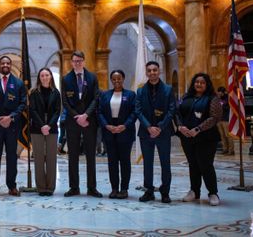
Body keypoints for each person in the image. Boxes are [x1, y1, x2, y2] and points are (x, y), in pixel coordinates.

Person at [0, 56, 26, 197]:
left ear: (10, 65)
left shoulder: (18, 83)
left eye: (8, 63)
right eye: (3, 63)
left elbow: (23, 103)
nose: (5, 65)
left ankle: (12, 186)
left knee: (12, 156)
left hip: (13, 125)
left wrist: (11, 117)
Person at [177, 73, 222, 206]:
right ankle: (194, 191)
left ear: (207, 84)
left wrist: (197, 129)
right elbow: (178, 112)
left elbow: (215, 117)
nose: (199, 84)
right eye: (197, 82)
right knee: (193, 164)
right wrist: (180, 126)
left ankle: (213, 193)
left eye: (202, 82)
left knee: (205, 165)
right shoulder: (187, 97)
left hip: (206, 137)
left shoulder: (212, 98)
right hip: (187, 136)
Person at [61, 51, 102, 197]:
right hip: (73, 122)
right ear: (71, 62)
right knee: (73, 156)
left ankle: (92, 187)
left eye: (79, 60)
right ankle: (74, 187)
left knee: (91, 155)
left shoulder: (92, 77)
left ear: (84, 61)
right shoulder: (66, 79)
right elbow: (65, 101)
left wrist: (85, 115)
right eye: (74, 61)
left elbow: (96, 99)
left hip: (89, 121)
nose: (77, 63)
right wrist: (76, 116)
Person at [136, 61, 176, 203]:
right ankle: (149, 191)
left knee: (165, 163)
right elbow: (138, 111)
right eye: (149, 70)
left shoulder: (168, 89)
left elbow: (172, 110)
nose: (152, 73)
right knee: (148, 163)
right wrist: (148, 127)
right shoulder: (140, 91)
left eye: (154, 70)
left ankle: (165, 192)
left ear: (159, 71)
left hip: (163, 132)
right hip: (146, 132)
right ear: (146, 73)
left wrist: (159, 127)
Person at [97, 70, 136, 199]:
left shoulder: (130, 95)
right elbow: (100, 112)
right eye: (114, 79)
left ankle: (124, 189)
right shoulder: (105, 95)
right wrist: (107, 126)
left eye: (119, 78)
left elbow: (134, 113)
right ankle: (114, 188)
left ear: (123, 79)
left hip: (125, 130)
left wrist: (124, 125)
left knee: (125, 162)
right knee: (112, 162)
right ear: (111, 80)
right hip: (109, 131)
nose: (116, 81)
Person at [29, 67, 61, 196]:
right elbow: (32, 110)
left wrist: (49, 125)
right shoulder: (34, 92)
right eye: (42, 75)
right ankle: (41, 187)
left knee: (51, 158)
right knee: (39, 159)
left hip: (52, 129)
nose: (44, 77)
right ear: (39, 78)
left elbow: (57, 111)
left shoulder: (56, 92)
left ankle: (50, 187)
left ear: (51, 77)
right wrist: (42, 125)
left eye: (47, 75)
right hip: (37, 129)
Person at [216, 87, 234, 155]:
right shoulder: (218, 99)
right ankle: (225, 149)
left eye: (219, 92)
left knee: (228, 135)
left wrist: (221, 105)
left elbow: (227, 108)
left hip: (226, 119)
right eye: (218, 92)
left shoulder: (228, 99)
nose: (218, 93)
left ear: (223, 92)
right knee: (222, 135)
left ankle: (231, 150)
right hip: (219, 120)